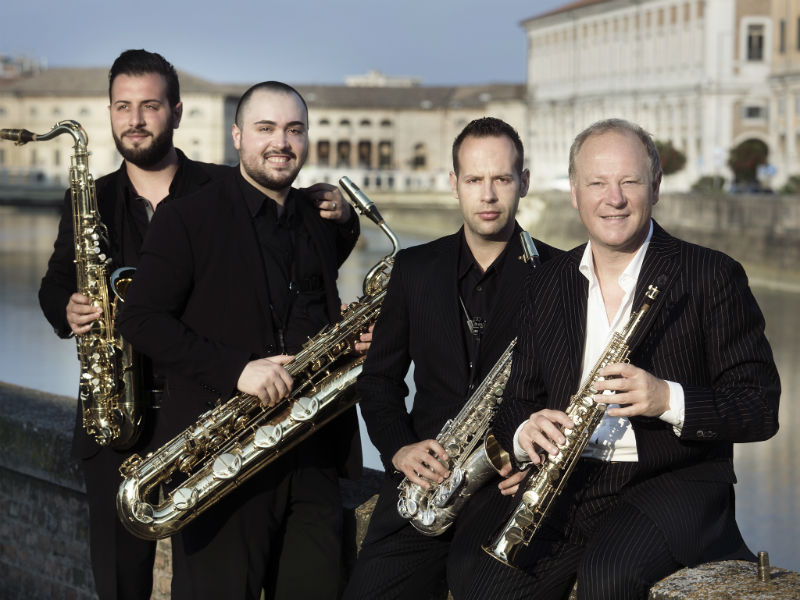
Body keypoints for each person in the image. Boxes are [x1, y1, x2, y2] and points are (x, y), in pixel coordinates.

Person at [460, 118, 781, 600]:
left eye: (629, 181)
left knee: (608, 578)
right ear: (574, 192)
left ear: (656, 187)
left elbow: (760, 407)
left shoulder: (711, 274)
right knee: (485, 587)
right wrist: (525, 433)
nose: (614, 199)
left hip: (674, 481)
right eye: (597, 183)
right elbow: (514, 403)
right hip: (569, 479)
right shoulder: (547, 283)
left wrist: (666, 398)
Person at [116, 81, 362, 600]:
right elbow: (140, 320)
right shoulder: (187, 217)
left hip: (311, 457)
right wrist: (237, 369)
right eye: (265, 128)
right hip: (221, 460)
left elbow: (316, 307)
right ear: (237, 136)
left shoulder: (319, 222)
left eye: (294, 130)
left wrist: (350, 340)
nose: (281, 143)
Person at [38, 49, 230, 600]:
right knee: (119, 584)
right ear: (110, 113)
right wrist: (67, 307)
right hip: (114, 417)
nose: (135, 119)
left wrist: (334, 212)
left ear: (177, 112)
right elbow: (54, 283)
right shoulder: (90, 198)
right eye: (123, 106)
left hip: (205, 412)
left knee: (210, 580)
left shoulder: (224, 190)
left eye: (150, 106)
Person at [342, 117, 561, 600]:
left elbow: (573, 392)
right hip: (424, 481)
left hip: (508, 488)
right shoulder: (415, 269)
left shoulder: (561, 275)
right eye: (474, 179)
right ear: (453, 184)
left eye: (502, 179)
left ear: (524, 182)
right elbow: (379, 381)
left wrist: (536, 464)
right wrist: (399, 449)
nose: (488, 195)